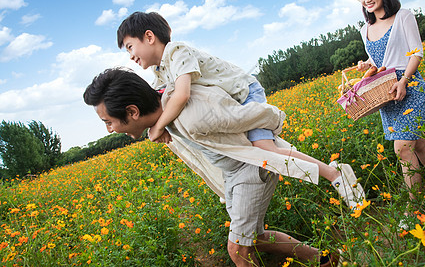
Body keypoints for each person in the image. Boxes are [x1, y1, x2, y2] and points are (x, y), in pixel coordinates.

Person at [84, 67, 342, 266]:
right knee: (256, 238)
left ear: (132, 111)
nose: (109, 129)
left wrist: (272, 130)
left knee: (238, 249)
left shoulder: (192, 114)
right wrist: (158, 125)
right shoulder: (164, 103)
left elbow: (243, 115)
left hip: (249, 166)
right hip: (233, 173)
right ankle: (325, 259)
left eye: (108, 121)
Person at [116, 11, 365, 208]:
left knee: (266, 149)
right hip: (229, 106)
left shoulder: (177, 52)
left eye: (129, 47)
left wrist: (158, 126)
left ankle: (335, 175)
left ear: (149, 37)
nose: (130, 56)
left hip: (246, 93)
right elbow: (161, 103)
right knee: (266, 150)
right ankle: (332, 173)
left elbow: (181, 95)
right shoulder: (160, 72)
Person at [349, 0, 425, 205]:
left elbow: (416, 52)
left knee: (402, 148)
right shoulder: (365, 30)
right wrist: (367, 64)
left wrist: (404, 81)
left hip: (409, 86)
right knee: (419, 144)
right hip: (387, 93)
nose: (367, 0)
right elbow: (380, 59)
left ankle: (414, 207)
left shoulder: (403, 16)